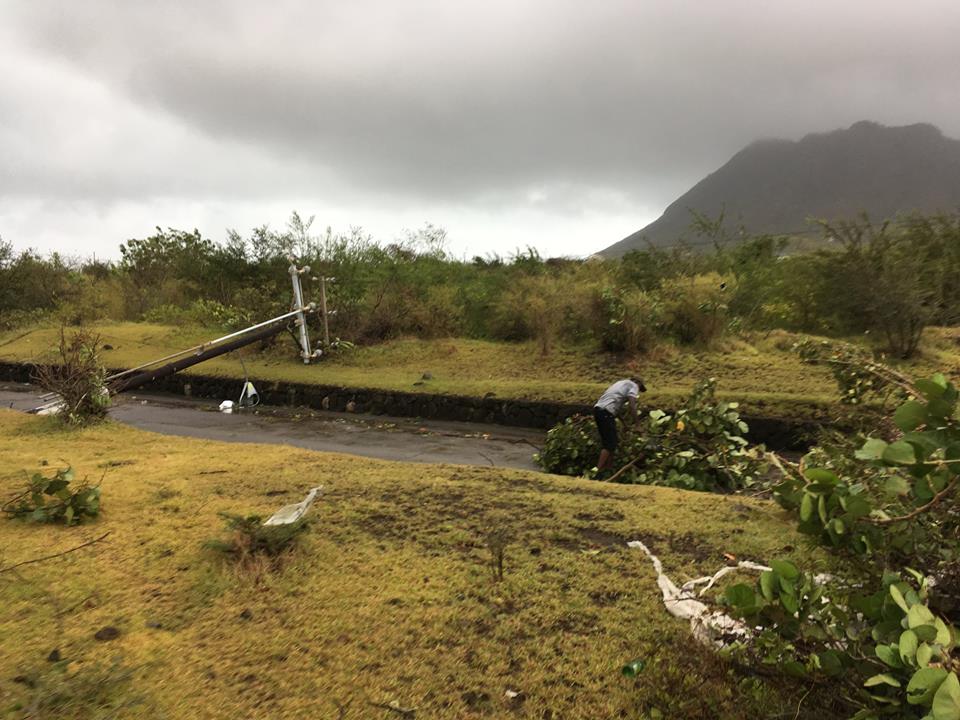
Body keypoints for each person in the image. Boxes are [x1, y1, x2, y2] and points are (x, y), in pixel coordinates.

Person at [593, 376, 646, 473]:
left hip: (599, 411)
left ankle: (607, 470)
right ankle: (597, 471)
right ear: (637, 383)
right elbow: (632, 405)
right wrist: (638, 425)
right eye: (639, 388)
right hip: (606, 413)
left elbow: (615, 407)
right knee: (610, 444)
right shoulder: (633, 385)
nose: (638, 391)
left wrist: (624, 424)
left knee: (611, 442)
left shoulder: (619, 384)